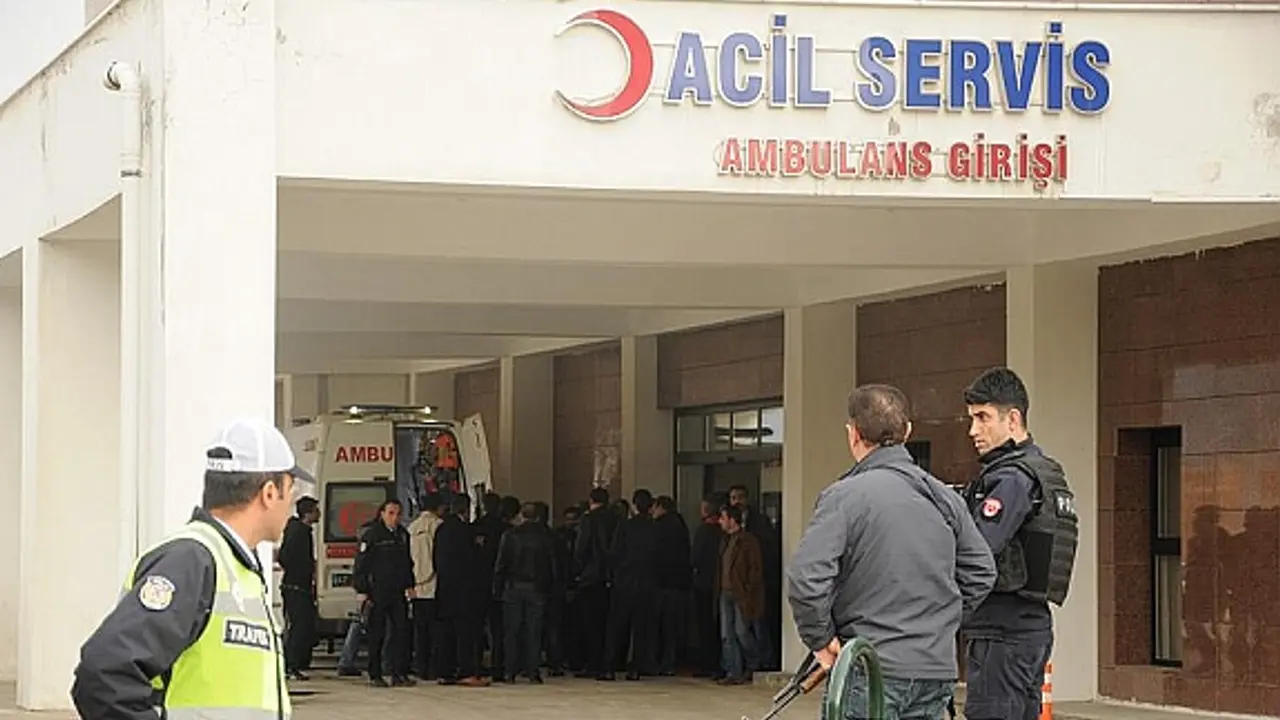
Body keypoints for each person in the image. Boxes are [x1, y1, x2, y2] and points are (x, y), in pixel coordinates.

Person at [71, 417, 311, 720]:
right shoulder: (191, 561)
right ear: (269, 493)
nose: (292, 503)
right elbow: (104, 676)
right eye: (291, 489)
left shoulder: (236, 566)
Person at [788, 384, 996, 719]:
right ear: (907, 431)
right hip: (934, 670)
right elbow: (982, 572)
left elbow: (806, 576)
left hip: (869, 667)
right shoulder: (944, 497)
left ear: (853, 433)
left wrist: (821, 639)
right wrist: (938, 620)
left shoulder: (844, 496)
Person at [960, 368, 1079, 720]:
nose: (973, 430)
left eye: (983, 418)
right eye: (971, 419)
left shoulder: (1011, 479)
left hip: (1002, 632)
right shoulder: (1044, 471)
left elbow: (978, 553)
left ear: (1012, 419)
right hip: (1029, 626)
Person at [352, 499, 416, 687]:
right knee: (376, 634)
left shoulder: (402, 535)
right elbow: (361, 564)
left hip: (397, 591)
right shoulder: (372, 535)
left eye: (398, 514)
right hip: (377, 591)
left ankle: (398, 673)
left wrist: (410, 585)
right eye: (391, 513)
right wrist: (362, 589)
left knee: (401, 632)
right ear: (382, 514)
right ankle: (375, 674)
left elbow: (407, 562)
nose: (394, 518)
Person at [493, 502, 558, 683]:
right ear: (537, 517)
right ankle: (533, 671)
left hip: (512, 588)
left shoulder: (510, 535)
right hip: (536, 589)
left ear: (521, 515)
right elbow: (553, 566)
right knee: (534, 631)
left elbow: (501, 565)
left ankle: (510, 671)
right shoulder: (545, 537)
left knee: (512, 631)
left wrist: (497, 589)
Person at [601, 489, 659, 681]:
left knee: (616, 626)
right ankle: (635, 668)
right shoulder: (655, 528)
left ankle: (609, 667)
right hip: (646, 582)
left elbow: (614, 552)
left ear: (634, 505)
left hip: (624, 581)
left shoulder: (625, 526)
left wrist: (612, 574)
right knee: (640, 628)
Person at [716, 504, 765, 686]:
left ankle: (753, 663)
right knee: (727, 634)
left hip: (741, 593)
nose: (720, 522)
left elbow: (755, 568)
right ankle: (733, 671)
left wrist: (749, 589)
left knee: (742, 632)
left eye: (723, 518)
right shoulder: (725, 541)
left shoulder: (747, 541)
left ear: (731, 520)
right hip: (725, 592)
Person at [573, 486, 618, 679]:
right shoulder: (617, 519)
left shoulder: (588, 519)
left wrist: (576, 571)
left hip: (591, 577)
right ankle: (609, 664)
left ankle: (593, 664)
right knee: (608, 623)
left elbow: (581, 548)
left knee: (591, 623)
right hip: (612, 578)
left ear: (591, 500)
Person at [278, 495, 321, 680]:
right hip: (295, 587)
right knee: (297, 626)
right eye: (316, 510)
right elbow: (285, 557)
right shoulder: (298, 532)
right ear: (308, 513)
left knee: (304, 625)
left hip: (301, 586)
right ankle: (290, 665)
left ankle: (297, 663)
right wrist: (300, 571)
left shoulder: (303, 531)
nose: (319, 513)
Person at [408, 492, 447, 680]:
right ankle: (435, 668)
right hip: (434, 586)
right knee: (436, 631)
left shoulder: (412, 527)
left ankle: (420, 667)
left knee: (420, 631)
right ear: (439, 507)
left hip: (416, 587)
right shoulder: (439, 526)